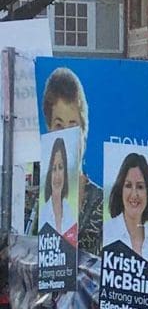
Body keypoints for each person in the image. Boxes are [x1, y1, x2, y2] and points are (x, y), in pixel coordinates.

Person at [41, 67, 103, 254]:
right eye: (59, 125)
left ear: (84, 132)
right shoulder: (34, 204)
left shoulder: (106, 204)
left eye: (73, 125)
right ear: (48, 129)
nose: (66, 135)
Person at [103, 152, 148, 262]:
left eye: (140, 186)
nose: (134, 194)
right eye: (128, 186)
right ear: (120, 190)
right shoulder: (106, 233)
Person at [36, 136, 76, 234]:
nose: (57, 175)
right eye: (54, 169)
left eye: (61, 167)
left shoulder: (69, 213)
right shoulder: (43, 214)